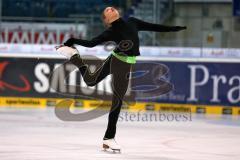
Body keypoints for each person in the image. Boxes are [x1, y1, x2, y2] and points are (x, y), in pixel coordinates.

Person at [58, 6, 187, 152]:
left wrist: (172, 28)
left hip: (126, 64)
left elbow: (153, 27)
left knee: (114, 99)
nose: (111, 9)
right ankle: (74, 56)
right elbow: (92, 43)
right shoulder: (111, 31)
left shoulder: (133, 22)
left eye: (111, 8)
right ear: (107, 20)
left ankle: (108, 139)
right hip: (116, 60)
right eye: (107, 10)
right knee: (96, 85)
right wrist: (73, 40)